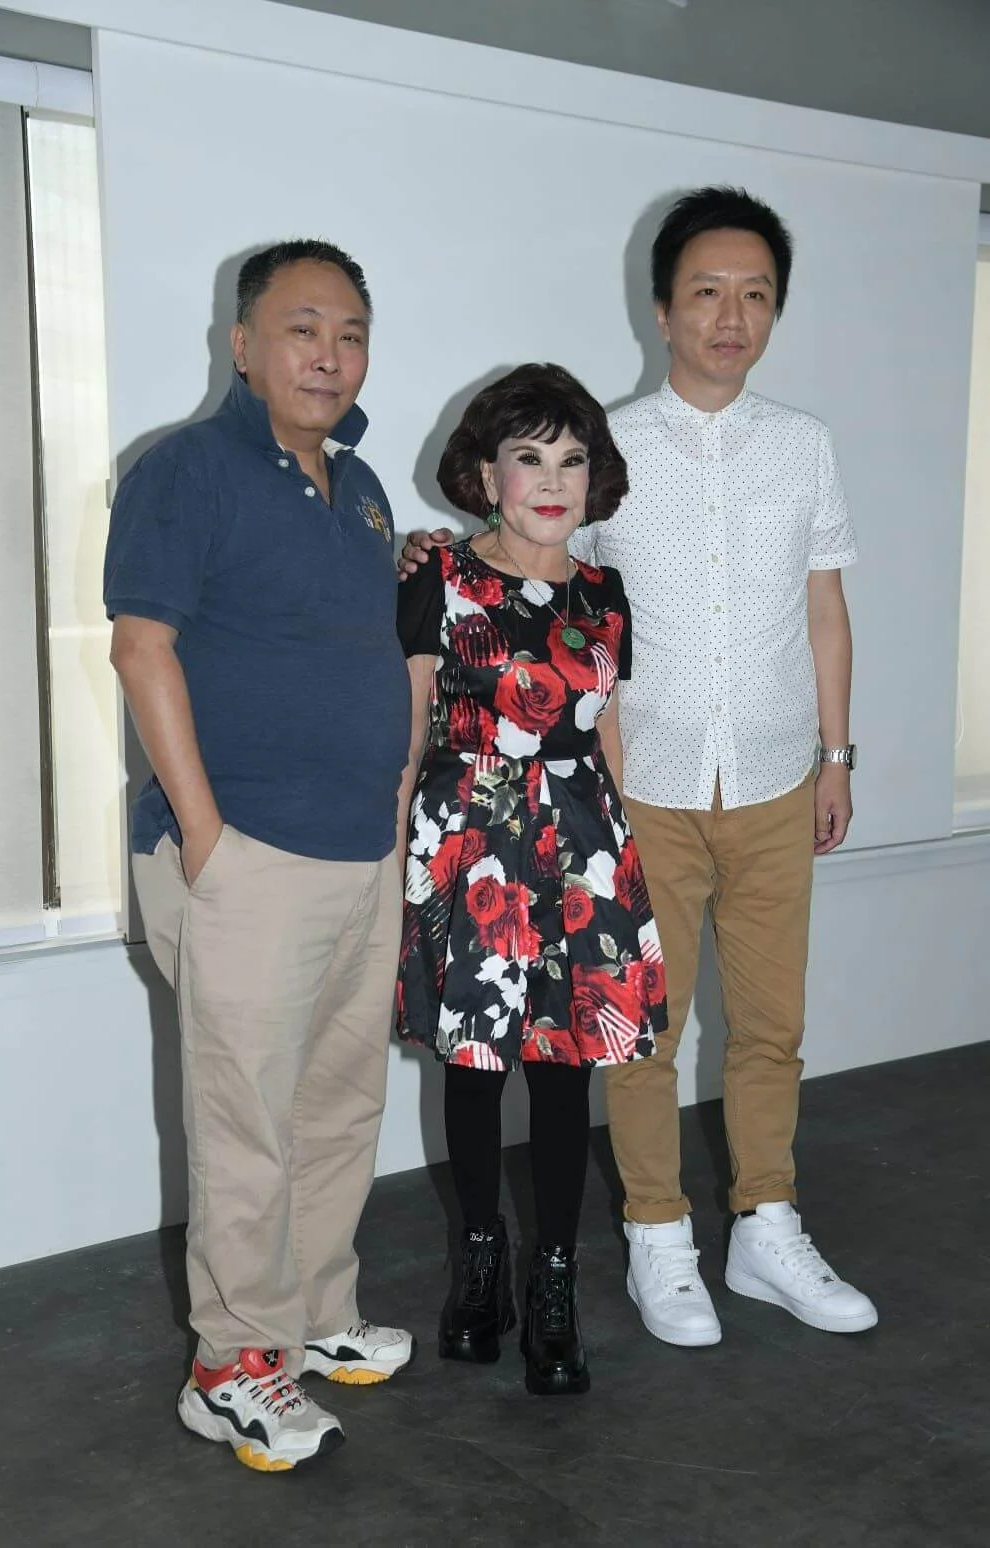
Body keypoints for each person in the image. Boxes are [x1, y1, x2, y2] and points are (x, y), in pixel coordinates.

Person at [400, 187, 877, 1349]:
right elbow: (534, 568)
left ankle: (767, 1224)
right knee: (637, 1036)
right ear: (663, 309)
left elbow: (825, 610)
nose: (731, 316)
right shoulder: (607, 451)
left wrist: (836, 755)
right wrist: (430, 557)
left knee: (771, 1026)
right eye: (707, 292)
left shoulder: (804, 446)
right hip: (636, 792)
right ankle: (659, 1236)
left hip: (773, 777)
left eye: (755, 294)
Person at [104, 240, 413, 1473]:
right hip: (245, 856)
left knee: (339, 1105)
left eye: (350, 333)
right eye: (302, 328)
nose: (329, 355)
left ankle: (315, 1315)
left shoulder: (364, 487)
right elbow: (141, 649)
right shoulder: (184, 470)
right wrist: (206, 834)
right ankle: (230, 1365)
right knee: (246, 1127)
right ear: (242, 345)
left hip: (360, 850)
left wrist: (392, 808)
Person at [395, 363, 668, 1396]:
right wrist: (395, 868)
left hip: (583, 851)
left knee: (564, 1070)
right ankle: (480, 1260)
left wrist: (627, 863)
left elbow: (606, 732)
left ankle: (554, 1279)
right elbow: (409, 734)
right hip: (469, 848)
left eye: (572, 459)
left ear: (594, 478)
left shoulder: (604, 594)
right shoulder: (438, 576)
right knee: (472, 1068)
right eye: (529, 458)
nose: (552, 481)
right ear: (486, 473)